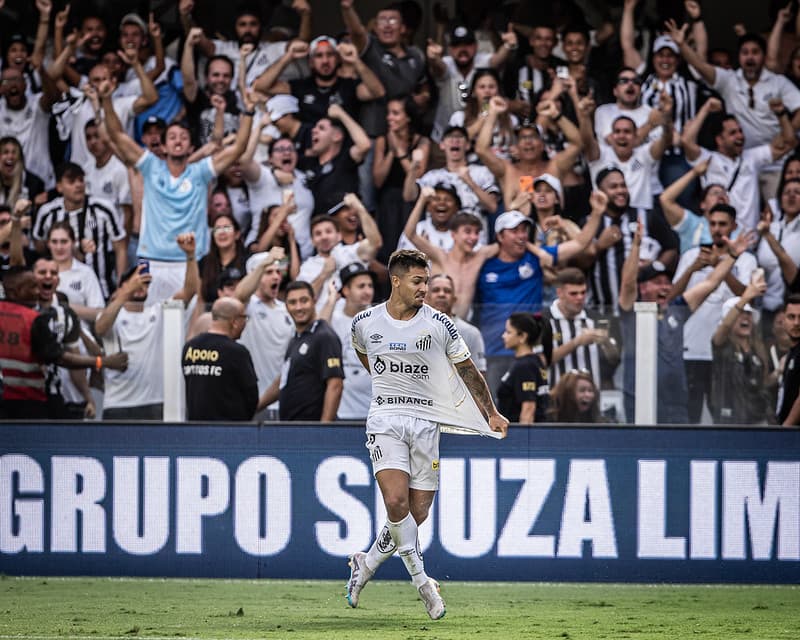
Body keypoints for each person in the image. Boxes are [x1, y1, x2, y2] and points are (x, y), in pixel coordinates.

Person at [345, 249, 508, 620]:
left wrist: (491, 412)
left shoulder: (440, 324)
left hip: (426, 424)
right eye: (418, 281)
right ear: (396, 280)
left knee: (416, 512)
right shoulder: (364, 323)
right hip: (385, 419)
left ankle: (365, 564)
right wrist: (392, 389)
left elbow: (468, 370)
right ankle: (424, 585)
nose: (425, 288)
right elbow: (365, 357)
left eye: (428, 281)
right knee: (397, 503)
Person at [100, 74, 254, 304]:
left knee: (189, 328)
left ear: (192, 145)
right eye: (172, 137)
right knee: (156, 327)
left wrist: (249, 113)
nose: (178, 141)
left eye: (183, 137)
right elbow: (118, 136)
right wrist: (106, 100)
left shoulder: (200, 172)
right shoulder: (151, 167)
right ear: (163, 145)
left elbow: (238, 148)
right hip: (153, 261)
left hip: (191, 261)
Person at [618, 221, 742, 424]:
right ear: (643, 288)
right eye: (657, 282)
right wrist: (636, 246)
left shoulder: (676, 310)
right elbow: (627, 282)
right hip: (638, 401)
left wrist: (733, 257)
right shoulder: (631, 311)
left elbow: (710, 283)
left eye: (667, 282)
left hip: (676, 404)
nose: (665, 287)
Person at [0, 266, 127, 419]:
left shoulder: (60, 316)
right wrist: (102, 362)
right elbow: (62, 358)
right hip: (30, 401)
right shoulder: (33, 320)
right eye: (32, 287)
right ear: (14, 292)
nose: (37, 291)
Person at [96, 233, 198, 420]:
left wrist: (190, 256)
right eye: (136, 282)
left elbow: (190, 291)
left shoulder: (158, 311)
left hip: (154, 403)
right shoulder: (112, 314)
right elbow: (101, 328)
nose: (141, 286)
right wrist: (126, 292)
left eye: (145, 283)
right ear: (122, 286)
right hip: (117, 403)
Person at [258, 280, 344, 421]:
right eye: (292, 302)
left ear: (314, 301)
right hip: (293, 428)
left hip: (312, 431)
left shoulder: (324, 336)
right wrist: (255, 408)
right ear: (286, 306)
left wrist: (325, 430)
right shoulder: (296, 339)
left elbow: (335, 385)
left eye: (304, 301)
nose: (298, 307)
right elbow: (283, 381)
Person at [182, 296, 258, 422]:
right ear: (235, 322)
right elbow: (251, 396)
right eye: (244, 318)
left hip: (196, 429)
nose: (245, 323)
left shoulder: (190, 347)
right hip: (229, 430)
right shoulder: (237, 352)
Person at [320, 262, 376, 420]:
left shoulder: (381, 318)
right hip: (341, 412)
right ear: (345, 290)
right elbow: (317, 333)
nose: (367, 291)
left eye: (370, 286)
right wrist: (331, 300)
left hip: (375, 414)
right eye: (361, 286)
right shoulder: (334, 317)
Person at [710, 275, 769, 425]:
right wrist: (746, 297)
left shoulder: (757, 349)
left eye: (748, 314)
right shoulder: (722, 346)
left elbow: (762, 383)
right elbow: (722, 330)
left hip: (756, 419)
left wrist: (779, 373)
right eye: (740, 314)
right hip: (729, 420)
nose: (746, 318)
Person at [424, 273, 487, 376]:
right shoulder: (415, 327)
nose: (441, 294)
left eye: (447, 291)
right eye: (436, 290)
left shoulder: (471, 333)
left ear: (454, 299)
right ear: (426, 297)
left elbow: (480, 374)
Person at [496, 312, 550, 424]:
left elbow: (528, 409)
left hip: (520, 436)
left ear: (522, 336)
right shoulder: (533, 361)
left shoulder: (525, 366)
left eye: (508, 332)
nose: (503, 336)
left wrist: (523, 439)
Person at [777, 294, 800, 425]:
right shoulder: (792, 352)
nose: (797, 323)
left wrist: (786, 428)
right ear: (783, 320)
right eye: (791, 317)